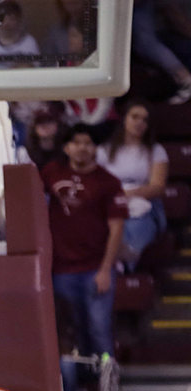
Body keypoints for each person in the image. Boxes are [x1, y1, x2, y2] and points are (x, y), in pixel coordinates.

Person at [42, 127, 127, 364]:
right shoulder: (51, 172)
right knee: (71, 333)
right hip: (60, 270)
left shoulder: (108, 182)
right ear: (66, 147)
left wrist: (105, 269)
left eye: (88, 143)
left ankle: (109, 386)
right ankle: (81, 390)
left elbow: (117, 227)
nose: (82, 147)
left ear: (95, 148)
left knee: (99, 331)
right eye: (76, 142)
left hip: (94, 269)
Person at [96, 101, 168, 270]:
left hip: (145, 205)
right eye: (135, 117)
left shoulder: (156, 151)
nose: (139, 123)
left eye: (144, 120)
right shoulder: (104, 151)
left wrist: (127, 194)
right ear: (124, 119)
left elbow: (158, 187)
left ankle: (123, 262)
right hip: (110, 203)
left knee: (134, 224)